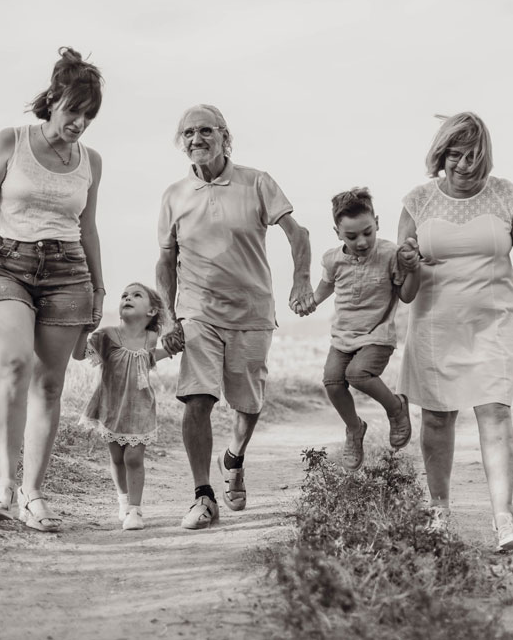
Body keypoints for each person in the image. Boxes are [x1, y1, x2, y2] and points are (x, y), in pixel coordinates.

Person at [398, 111, 513, 551]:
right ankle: (439, 513)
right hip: (435, 326)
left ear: (485, 155)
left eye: (473, 155)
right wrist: (405, 264)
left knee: (495, 413)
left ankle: (504, 519)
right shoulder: (417, 201)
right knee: (436, 418)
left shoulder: (506, 195)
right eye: (455, 155)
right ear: (441, 155)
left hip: (493, 322)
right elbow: (405, 288)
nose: (465, 164)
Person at [0, 47, 105, 533]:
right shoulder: (11, 141)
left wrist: (99, 289)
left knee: (50, 384)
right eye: (72, 111)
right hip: (8, 265)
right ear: (53, 100)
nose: (79, 123)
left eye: (88, 115)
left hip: (69, 272)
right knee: (15, 360)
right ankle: (3, 484)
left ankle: (33, 494)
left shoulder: (92, 161)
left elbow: (88, 227)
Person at [156, 104, 316, 530]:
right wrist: (169, 317)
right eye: (187, 133)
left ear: (225, 136)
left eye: (205, 131)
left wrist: (301, 282)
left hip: (251, 312)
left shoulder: (256, 182)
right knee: (197, 398)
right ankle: (203, 496)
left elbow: (298, 234)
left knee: (247, 405)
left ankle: (235, 456)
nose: (196, 140)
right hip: (198, 312)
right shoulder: (174, 195)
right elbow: (165, 260)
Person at [311, 187, 419, 470]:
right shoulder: (332, 259)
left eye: (367, 232)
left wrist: (414, 269)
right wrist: (310, 301)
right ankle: (354, 428)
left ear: (377, 223)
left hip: (378, 334)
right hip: (343, 336)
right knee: (333, 382)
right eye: (351, 236)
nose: (361, 241)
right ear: (337, 232)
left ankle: (396, 408)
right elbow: (325, 287)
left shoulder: (390, 254)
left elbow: (406, 296)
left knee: (358, 374)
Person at [73, 283, 172, 530]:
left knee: (133, 457)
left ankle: (136, 510)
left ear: (151, 311)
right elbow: (78, 355)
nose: (127, 297)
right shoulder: (106, 335)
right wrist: (83, 330)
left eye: (136, 295)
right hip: (112, 405)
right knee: (117, 458)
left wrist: (169, 350)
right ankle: (123, 501)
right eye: (124, 295)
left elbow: (146, 359)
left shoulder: (151, 337)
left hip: (140, 406)